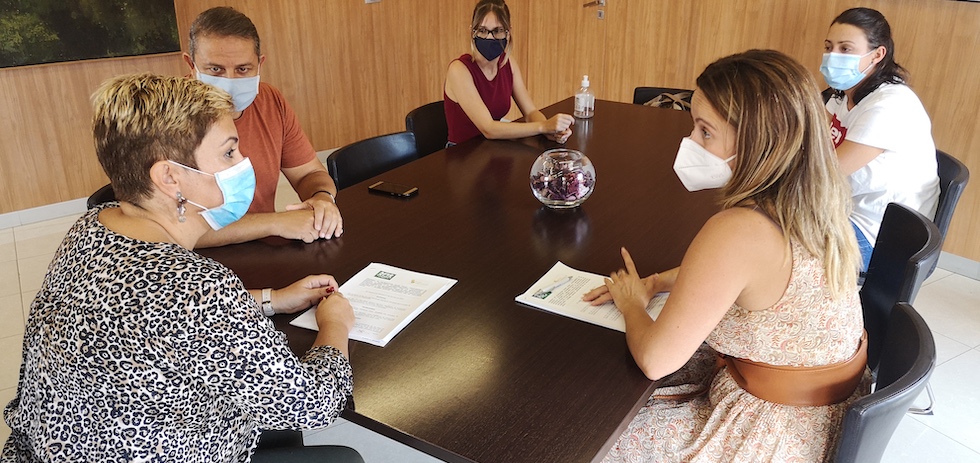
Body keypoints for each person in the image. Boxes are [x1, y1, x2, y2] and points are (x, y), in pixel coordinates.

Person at [2, 74, 362, 463]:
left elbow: (148, 323)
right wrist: (334, 325)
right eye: (228, 154)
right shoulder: (201, 289)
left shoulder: (91, 226)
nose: (244, 164)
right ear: (169, 177)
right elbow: (313, 406)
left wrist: (270, 300)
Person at [583, 50, 869, 462]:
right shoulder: (816, 199)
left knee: (591, 435)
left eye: (705, 132)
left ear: (758, 141)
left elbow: (654, 360)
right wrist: (661, 280)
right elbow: (745, 275)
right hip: (822, 417)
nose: (690, 144)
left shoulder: (738, 230)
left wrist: (631, 302)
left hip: (767, 431)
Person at [183, 6, 343, 247]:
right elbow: (173, 229)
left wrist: (321, 198)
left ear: (260, 64)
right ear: (191, 65)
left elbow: (309, 174)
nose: (229, 81)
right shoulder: (166, 117)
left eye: (243, 69)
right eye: (215, 69)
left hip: (265, 251)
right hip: (199, 264)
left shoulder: (270, 101)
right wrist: (275, 223)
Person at [822, 7, 939, 270]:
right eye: (829, 47)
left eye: (845, 49)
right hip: (843, 210)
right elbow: (813, 146)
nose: (832, 56)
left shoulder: (889, 105)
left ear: (877, 54)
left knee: (776, 244)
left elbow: (824, 173)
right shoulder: (842, 94)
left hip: (879, 235)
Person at [444, 0, 575, 146]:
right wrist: (543, 126)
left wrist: (551, 130)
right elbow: (489, 128)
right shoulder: (459, 70)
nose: (489, 37)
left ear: (508, 32)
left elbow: (530, 112)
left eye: (497, 31)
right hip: (461, 155)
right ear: (472, 31)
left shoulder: (507, 63)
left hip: (493, 148)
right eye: (482, 30)